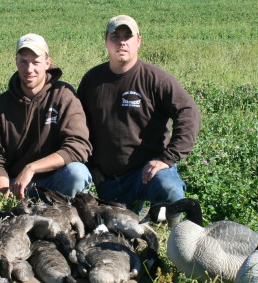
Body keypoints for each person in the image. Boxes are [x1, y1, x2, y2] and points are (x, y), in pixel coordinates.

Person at [77, 15, 200, 214]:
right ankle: (137, 214)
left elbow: (188, 113)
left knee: (170, 189)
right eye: (115, 36)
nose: (122, 42)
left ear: (139, 41)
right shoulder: (92, 80)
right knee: (111, 237)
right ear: (106, 41)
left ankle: (171, 233)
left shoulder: (156, 78)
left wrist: (168, 158)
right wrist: (91, 166)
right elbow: (78, 127)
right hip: (107, 179)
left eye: (128, 36)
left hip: (145, 174)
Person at [0, 33, 92, 199]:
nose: (29, 69)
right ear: (16, 62)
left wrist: (32, 168)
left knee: (77, 172)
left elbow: (78, 146)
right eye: (23, 62)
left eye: (36, 62)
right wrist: (5, 194)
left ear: (47, 63)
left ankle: (66, 214)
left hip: (54, 180)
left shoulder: (63, 95)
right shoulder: (1, 104)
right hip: (16, 183)